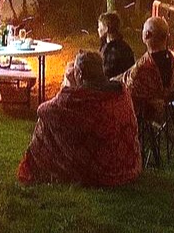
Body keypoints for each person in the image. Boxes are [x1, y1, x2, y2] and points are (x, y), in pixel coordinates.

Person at [17, 51, 141, 186]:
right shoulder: (120, 91)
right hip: (128, 165)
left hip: (102, 171)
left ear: (80, 74)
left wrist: (67, 86)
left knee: (45, 124)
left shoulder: (77, 99)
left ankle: (35, 168)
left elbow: (43, 110)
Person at [119, 16, 174, 123]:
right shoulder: (171, 60)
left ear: (147, 35)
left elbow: (128, 87)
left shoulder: (145, 66)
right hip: (163, 102)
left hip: (141, 109)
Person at [98, 11, 136, 79]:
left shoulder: (117, 51)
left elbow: (107, 72)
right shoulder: (105, 45)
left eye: (100, 26)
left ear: (106, 28)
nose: (98, 29)